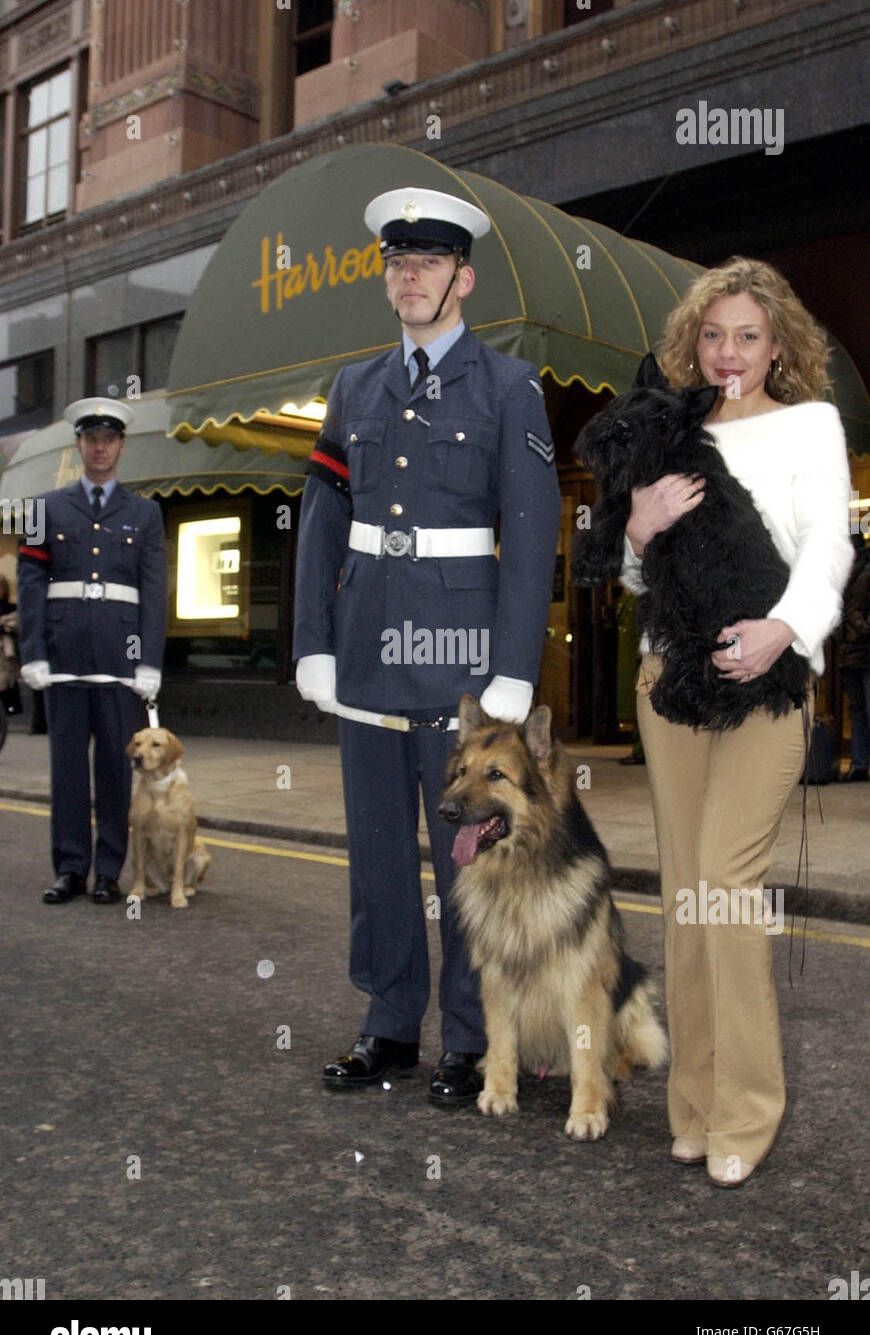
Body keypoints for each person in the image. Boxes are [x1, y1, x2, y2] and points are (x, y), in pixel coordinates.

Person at [293, 187, 561, 1104]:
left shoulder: (508, 385)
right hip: (366, 651)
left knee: (470, 863)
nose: (411, 275)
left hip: (460, 664)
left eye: (430, 261)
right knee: (376, 854)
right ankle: (389, 1026)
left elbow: (530, 531)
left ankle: (471, 1035)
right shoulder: (354, 387)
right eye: (398, 262)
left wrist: (516, 666)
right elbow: (323, 521)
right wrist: (314, 641)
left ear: (463, 277)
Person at [619, 258, 852, 1186]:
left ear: (779, 344)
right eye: (713, 334)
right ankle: (694, 1104)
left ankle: (749, 1113)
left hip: (768, 682)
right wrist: (638, 530)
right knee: (685, 897)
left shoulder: (810, 425)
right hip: (668, 684)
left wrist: (783, 628)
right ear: (692, 341)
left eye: (748, 336)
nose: (728, 352)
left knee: (724, 882)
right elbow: (645, 580)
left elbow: (830, 544)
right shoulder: (673, 433)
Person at [17, 399, 166, 904]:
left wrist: (149, 661)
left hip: (119, 660)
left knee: (114, 767)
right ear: (78, 444)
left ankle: (108, 870)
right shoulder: (41, 509)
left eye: (109, 439)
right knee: (67, 767)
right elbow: (31, 581)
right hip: (62, 657)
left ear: (121, 446)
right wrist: (32, 651)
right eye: (91, 439)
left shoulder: (146, 513)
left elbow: (152, 590)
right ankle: (70, 868)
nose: (100, 448)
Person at [839, 532, 870, 781]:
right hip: (850, 652)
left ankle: (860, 763)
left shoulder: (863, 572)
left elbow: (853, 611)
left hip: (862, 650)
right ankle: (858, 764)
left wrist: (860, 630)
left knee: (863, 710)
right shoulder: (846, 573)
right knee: (858, 710)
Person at [0, 575, 22, 715]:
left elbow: (16, 624)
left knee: (7, 679)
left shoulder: (10, 608)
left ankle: (9, 708)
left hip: (5, 650)